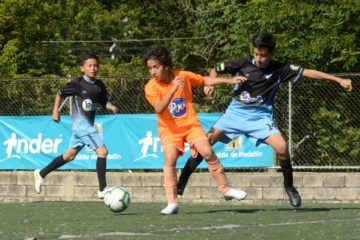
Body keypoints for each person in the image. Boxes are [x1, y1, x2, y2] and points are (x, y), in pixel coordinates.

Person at [177, 32, 353, 208]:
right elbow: (215, 69)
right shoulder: (241, 63)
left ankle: (289, 186)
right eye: (256, 53)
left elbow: (308, 72)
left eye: (263, 55)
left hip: (260, 118)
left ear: (271, 54)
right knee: (204, 144)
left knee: (282, 147)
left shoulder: (279, 69)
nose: (259, 58)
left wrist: (338, 79)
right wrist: (210, 83)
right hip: (235, 114)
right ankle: (181, 182)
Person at [144, 46, 248, 215]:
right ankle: (172, 203)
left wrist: (228, 81)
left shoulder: (183, 76)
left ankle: (225, 189)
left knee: (207, 151)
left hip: (190, 124)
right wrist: (172, 89)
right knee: (169, 158)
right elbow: (160, 109)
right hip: (169, 130)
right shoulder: (151, 87)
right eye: (149, 68)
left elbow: (205, 80)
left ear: (166, 65)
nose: (152, 72)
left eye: (156, 67)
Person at [33, 54, 118, 198]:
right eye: (89, 66)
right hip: (81, 125)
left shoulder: (99, 85)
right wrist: (55, 111)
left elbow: (104, 101)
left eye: (95, 65)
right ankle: (103, 189)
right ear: (82, 68)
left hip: (85, 126)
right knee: (102, 152)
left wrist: (111, 106)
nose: (93, 68)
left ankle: (41, 173)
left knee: (69, 156)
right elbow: (60, 93)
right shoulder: (77, 83)